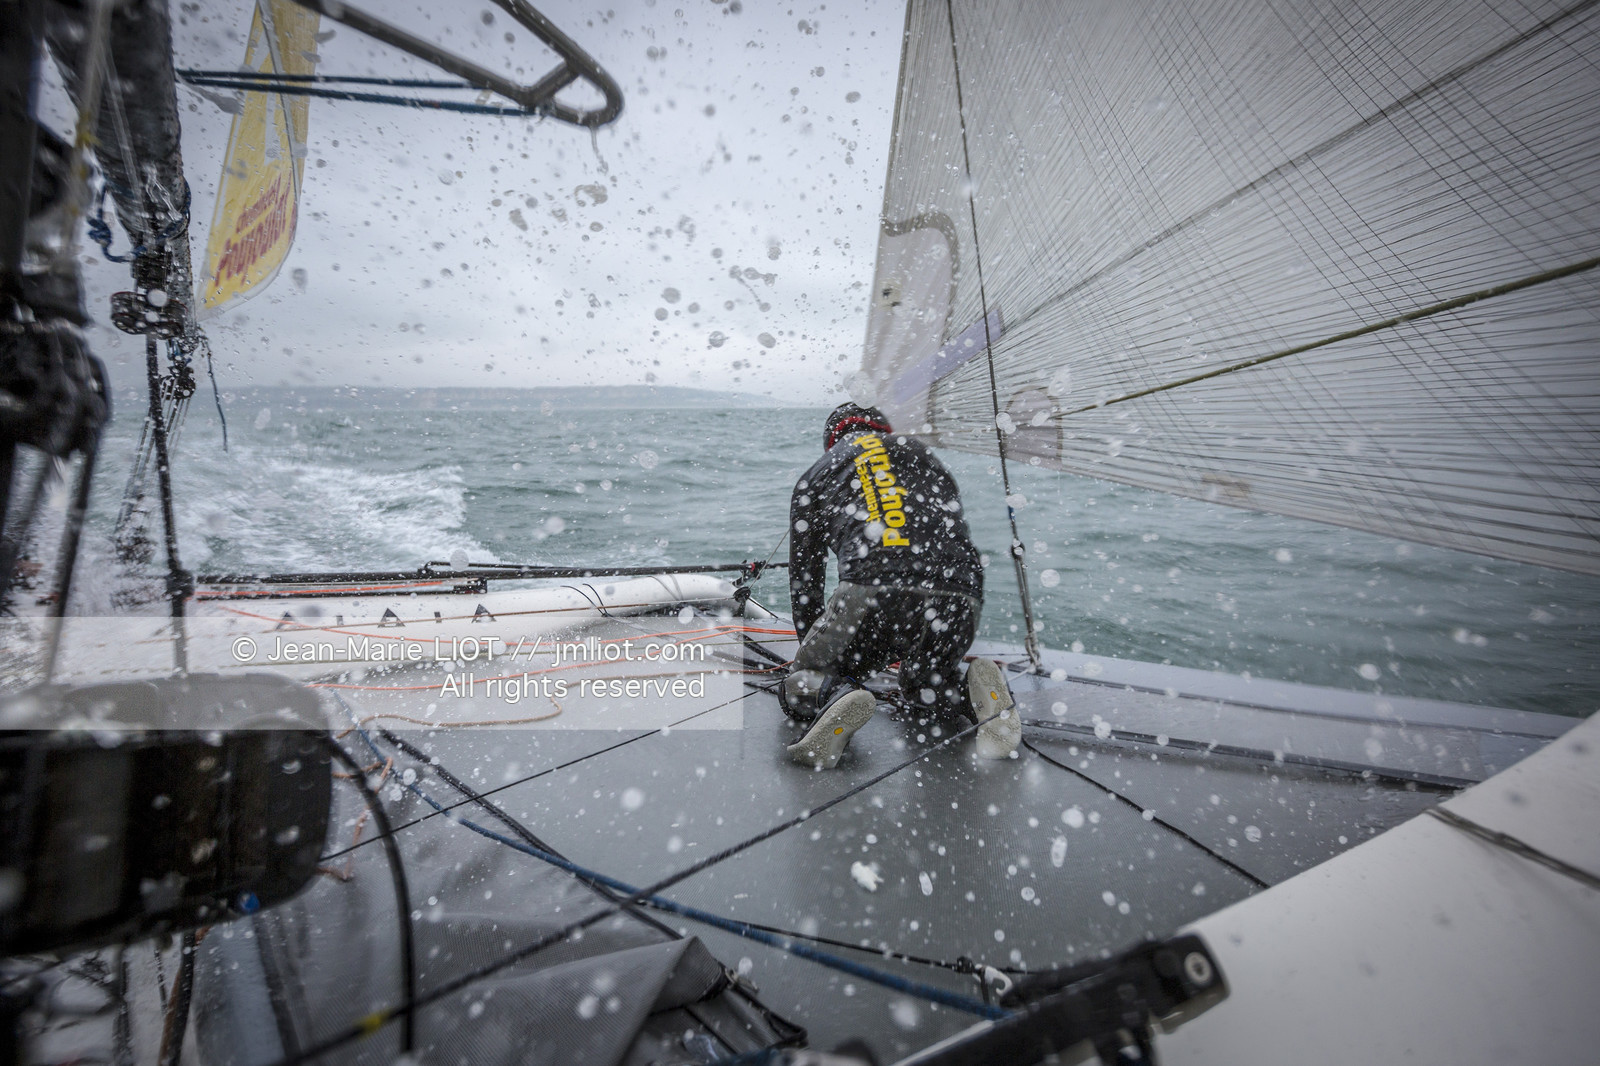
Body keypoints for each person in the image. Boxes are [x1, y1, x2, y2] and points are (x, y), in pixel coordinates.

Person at [781, 402, 1020, 769]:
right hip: (961, 591)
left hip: (876, 588)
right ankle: (969, 692)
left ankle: (833, 693)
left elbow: (805, 580)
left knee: (799, 684)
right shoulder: (924, 455)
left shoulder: (818, 473)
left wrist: (813, 655)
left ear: (832, 440)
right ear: (884, 430)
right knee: (924, 689)